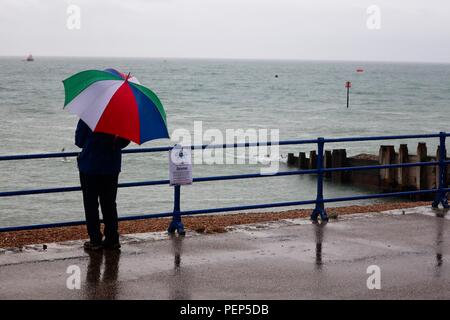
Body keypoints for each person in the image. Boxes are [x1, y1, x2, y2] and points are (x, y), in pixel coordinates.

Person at [75, 119, 130, 250]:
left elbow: (79, 141)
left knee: (91, 204)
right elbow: (124, 141)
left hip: (90, 166)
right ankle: (112, 238)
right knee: (109, 203)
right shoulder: (121, 119)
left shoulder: (89, 116)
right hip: (111, 166)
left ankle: (95, 239)